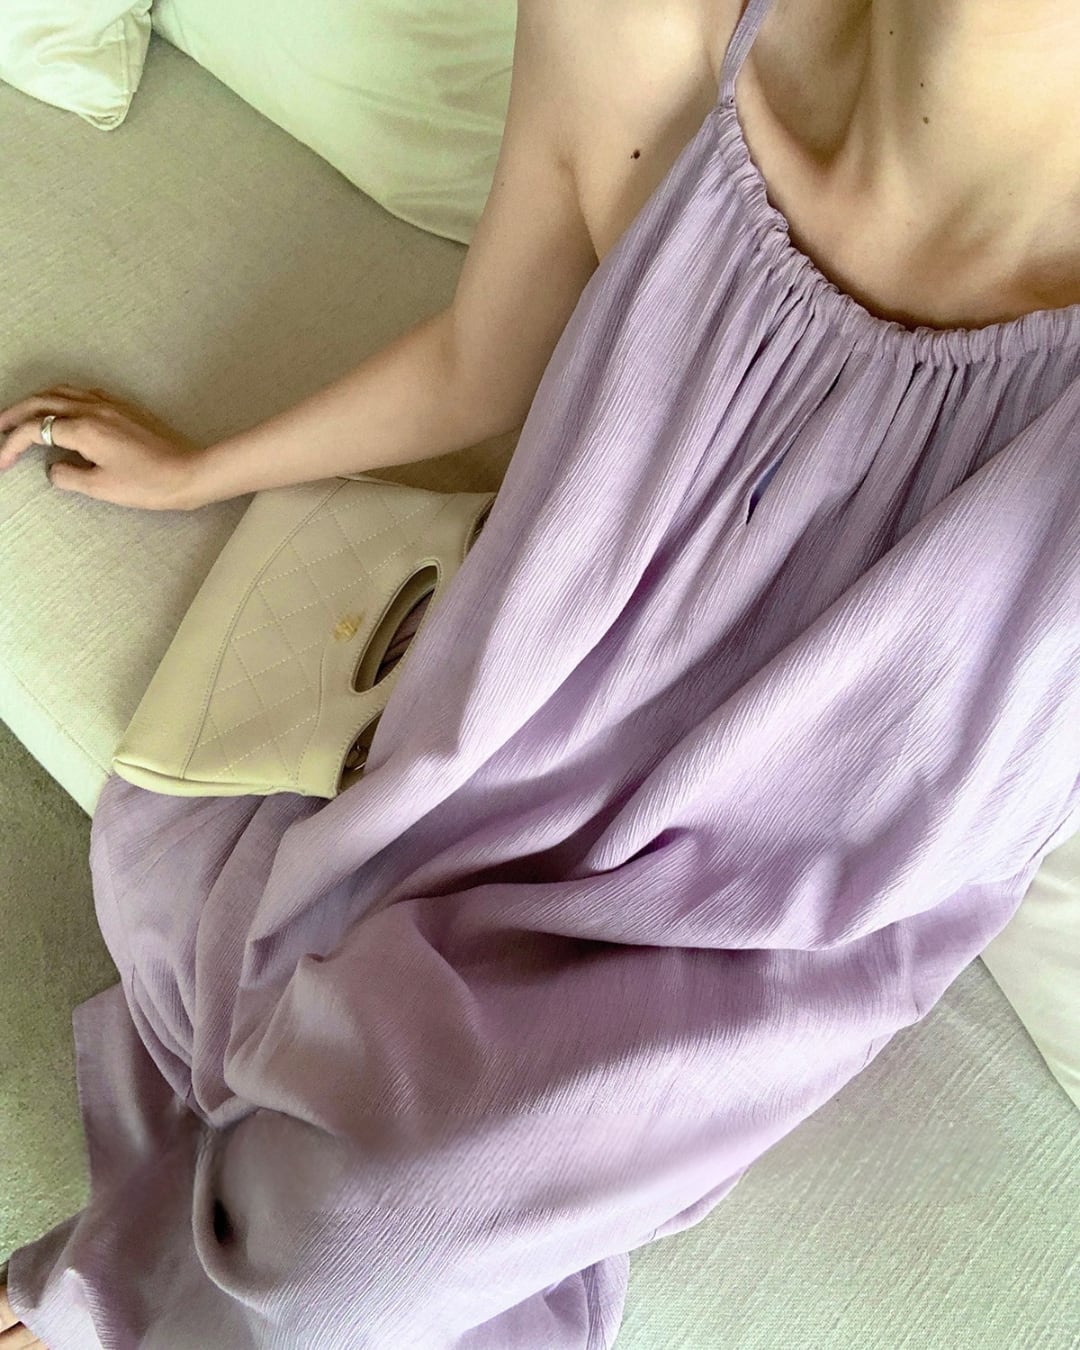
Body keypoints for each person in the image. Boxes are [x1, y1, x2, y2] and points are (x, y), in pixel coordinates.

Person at [2, 0, 1078, 1345]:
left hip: (766, 956)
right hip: (505, 763)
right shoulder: (647, 24)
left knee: (369, 1235)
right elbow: (484, 360)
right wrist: (202, 468)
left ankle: (102, 1301)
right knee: (323, 1130)